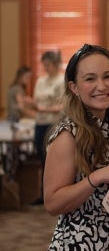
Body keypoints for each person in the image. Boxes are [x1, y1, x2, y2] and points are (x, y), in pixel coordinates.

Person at [43, 44, 109, 251]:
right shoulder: (67, 134)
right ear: (74, 87)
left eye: (108, 76)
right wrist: (97, 178)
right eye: (90, 79)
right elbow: (52, 203)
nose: (102, 86)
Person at [32, 50, 64, 204]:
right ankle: (43, 194)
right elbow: (36, 101)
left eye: (48, 64)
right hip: (40, 123)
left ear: (55, 64)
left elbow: (63, 105)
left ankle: (53, 193)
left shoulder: (61, 80)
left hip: (54, 123)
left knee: (51, 160)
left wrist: (45, 108)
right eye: (43, 64)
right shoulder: (40, 80)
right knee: (41, 159)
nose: (45, 67)